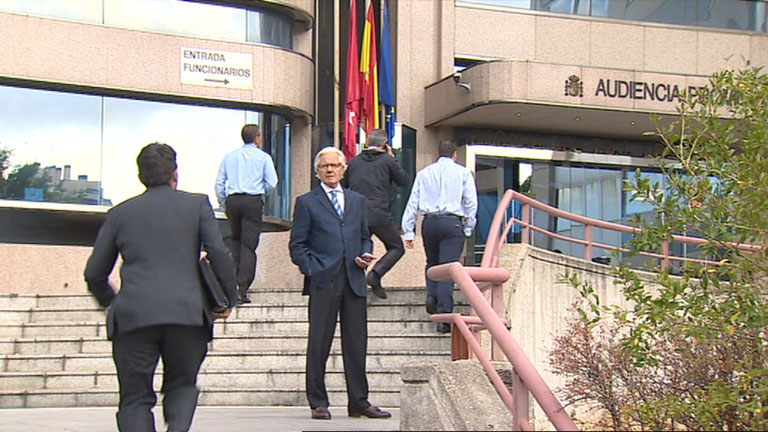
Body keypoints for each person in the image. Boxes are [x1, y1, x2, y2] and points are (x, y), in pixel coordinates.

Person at [84, 143, 238, 432]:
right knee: (182, 385)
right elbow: (218, 252)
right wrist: (228, 298)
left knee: (134, 398)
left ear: (140, 175)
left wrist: (112, 303)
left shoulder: (119, 213)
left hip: (133, 316)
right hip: (187, 314)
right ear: (175, 174)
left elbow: (94, 273)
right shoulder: (197, 205)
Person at [289, 146, 391, 421]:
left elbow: (364, 236)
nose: (330, 170)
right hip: (324, 280)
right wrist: (312, 269)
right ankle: (318, 401)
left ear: (344, 169)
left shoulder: (357, 200)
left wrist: (365, 253)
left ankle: (359, 402)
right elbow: (297, 245)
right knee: (319, 342)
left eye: (335, 165)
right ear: (317, 171)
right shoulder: (307, 202)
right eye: (324, 166)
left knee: (356, 343)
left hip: (354, 279)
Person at [401, 139, 478, 333]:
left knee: (432, 262)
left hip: (429, 222)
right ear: (455, 155)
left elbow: (413, 201)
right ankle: (444, 317)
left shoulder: (424, 173)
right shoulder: (463, 173)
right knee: (448, 268)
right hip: (452, 222)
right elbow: (470, 202)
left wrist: (408, 230)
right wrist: (468, 227)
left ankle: (432, 295)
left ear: (437, 154)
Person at [342, 128, 410, 299]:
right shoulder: (387, 161)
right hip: (380, 214)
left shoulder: (354, 162)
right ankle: (376, 274)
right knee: (396, 247)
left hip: (357, 214)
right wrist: (392, 158)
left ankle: (354, 288)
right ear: (384, 144)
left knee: (357, 253)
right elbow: (404, 181)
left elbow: (343, 186)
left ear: (367, 143)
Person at [215, 124, 278, 304]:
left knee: (235, 241)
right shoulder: (263, 157)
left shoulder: (230, 156)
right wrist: (260, 192)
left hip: (233, 200)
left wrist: (223, 203)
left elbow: (219, 184)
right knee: (248, 245)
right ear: (257, 138)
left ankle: (231, 284)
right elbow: (272, 183)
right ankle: (242, 288)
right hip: (252, 201)